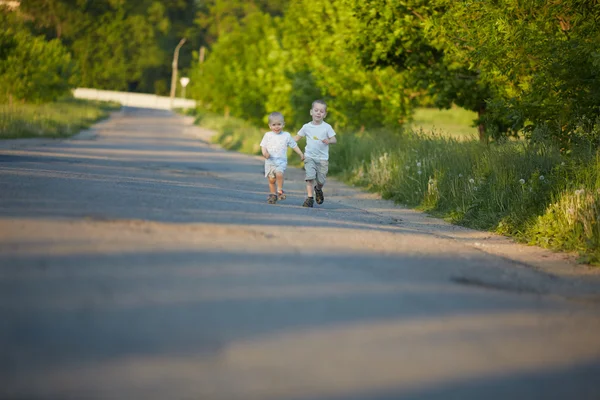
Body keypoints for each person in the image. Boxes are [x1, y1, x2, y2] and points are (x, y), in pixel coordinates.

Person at [294, 100, 337, 207]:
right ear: (311, 112)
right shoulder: (306, 127)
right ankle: (309, 198)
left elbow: (334, 139)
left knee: (321, 180)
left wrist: (329, 140)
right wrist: (286, 141)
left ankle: (318, 189)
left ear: (325, 114)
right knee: (310, 177)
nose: (318, 113)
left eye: (321, 111)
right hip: (309, 157)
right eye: (316, 110)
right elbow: (297, 138)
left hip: (322, 158)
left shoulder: (327, 127)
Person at [260, 112, 304, 204]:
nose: (277, 127)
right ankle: (273, 194)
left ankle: (279, 191)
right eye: (274, 125)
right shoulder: (268, 135)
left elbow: (294, 145)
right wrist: (265, 153)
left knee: (279, 173)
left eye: (279, 124)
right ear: (270, 126)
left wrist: (300, 153)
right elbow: (263, 145)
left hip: (281, 161)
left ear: (283, 124)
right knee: (271, 180)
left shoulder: (286, 135)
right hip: (270, 162)